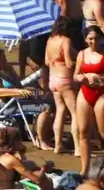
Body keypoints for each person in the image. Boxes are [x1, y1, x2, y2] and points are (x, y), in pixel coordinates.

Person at [43, 16, 77, 153]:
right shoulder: (66, 40)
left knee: (60, 111)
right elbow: (68, 63)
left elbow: (46, 61)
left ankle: (58, 145)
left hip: (53, 80)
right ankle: (78, 147)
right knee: (75, 113)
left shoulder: (50, 40)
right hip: (65, 79)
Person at [77, 25, 104, 176]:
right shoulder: (82, 54)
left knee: (102, 132)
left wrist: (100, 79)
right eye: (90, 38)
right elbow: (76, 74)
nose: (93, 41)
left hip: (101, 93)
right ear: (86, 39)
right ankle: (84, 169)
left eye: (96, 38)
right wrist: (82, 77)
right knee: (83, 132)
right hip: (85, 92)